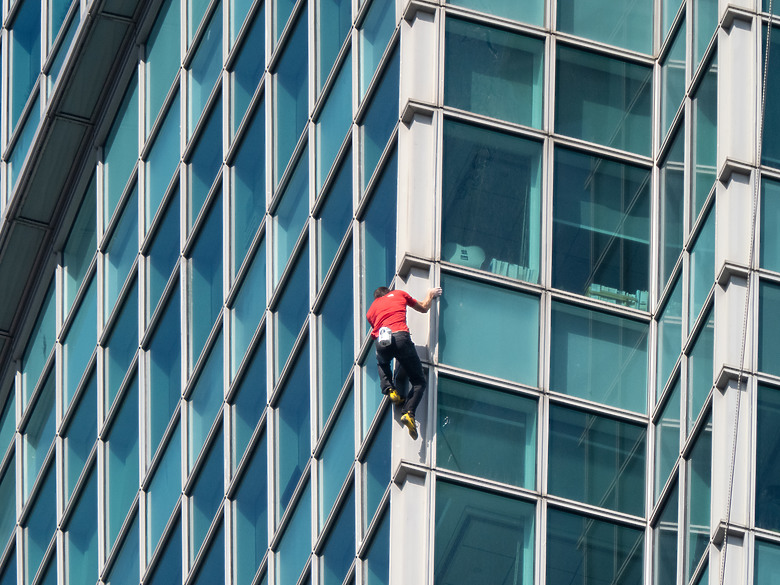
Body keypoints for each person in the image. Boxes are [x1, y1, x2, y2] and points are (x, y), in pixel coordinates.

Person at [366, 285, 443, 439]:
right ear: (389, 292)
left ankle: (390, 389)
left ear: (377, 298)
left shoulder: (371, 310)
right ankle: (409, 413)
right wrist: (431, 294)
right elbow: (423, 307)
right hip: (401, 337)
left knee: (382, 363)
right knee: (419, 381)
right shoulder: (399, 294)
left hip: (382, 342)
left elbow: (376, 327)